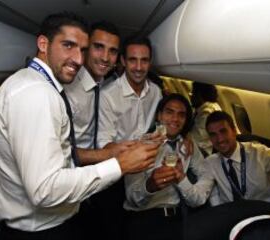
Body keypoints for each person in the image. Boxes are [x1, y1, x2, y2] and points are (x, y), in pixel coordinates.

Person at [0, 12, 158, 240]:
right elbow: (45, 189)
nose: (79, 59)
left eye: (81, 49)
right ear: (43, 44)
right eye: (68, 46)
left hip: (68, 204)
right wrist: (117, 163)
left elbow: (57, 151)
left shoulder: (46, 86)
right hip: (39, 227)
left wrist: (109, 152)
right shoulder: (37, 94)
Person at [62, 21, 132, 240]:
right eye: (98, 47)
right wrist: (106, 154)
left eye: (112, 51)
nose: (105, 57)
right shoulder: (68, 88)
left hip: (97, 178)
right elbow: (59, 151)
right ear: (86, 48)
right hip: (71, 177)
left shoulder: (104, 82)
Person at [124, 93, 205, 240]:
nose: (175, 119)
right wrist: (150, 186)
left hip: (178, 219)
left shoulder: (188, 146)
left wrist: (183, 180)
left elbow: (204, 176)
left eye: (181, 115)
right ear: (159, 116)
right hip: (145, 219)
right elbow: (132, 198)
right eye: (169, 112)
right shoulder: (140, 144)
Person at [98, 36, 162, 145]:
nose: (139, 67)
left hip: (150, 156)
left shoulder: (156, 92)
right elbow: (104, 143)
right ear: (123, 61)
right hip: (122, 159)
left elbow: (165, 121)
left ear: (150, 62)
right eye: (133, 60)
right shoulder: (107, 96)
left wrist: (184, 135)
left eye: (144, 60)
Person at [190, 81, 222, 156]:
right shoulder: (207, 107)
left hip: (202, 152)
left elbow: (196, 140)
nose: (191, 96)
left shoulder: (207, 113)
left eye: (193, 93)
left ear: (199, 95)